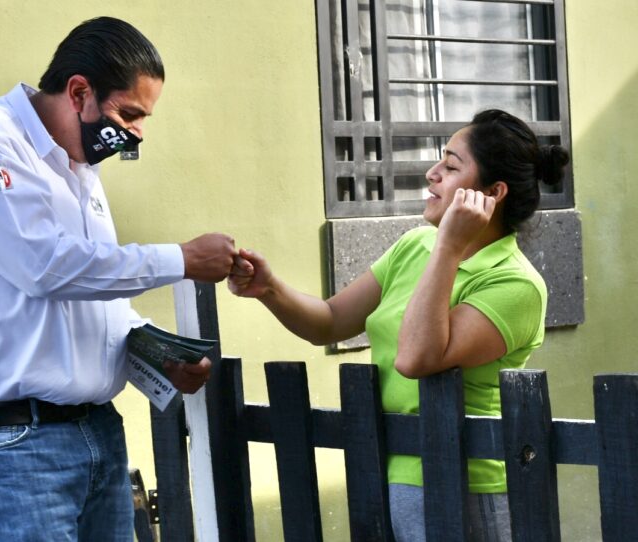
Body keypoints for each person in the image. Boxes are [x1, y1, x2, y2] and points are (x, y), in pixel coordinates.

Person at [0, 17, 236, 542]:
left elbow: (83, 292)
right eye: (129, 113)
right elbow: (44, 266)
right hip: (12, 443)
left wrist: (154, 355)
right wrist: (181, 258)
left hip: (96, 432)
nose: (136, 133)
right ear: (80, 91)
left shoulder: (80, 168)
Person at [228, 109, 569, 541]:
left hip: (469, 482)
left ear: (493, 192)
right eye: (438, 161)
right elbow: (330, 322)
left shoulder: (516, 284)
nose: (431, 174)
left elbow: (417, 358)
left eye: (450, 166)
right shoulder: (415, 245)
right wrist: (270, 288)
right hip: (391, 465)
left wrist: (448, 246)